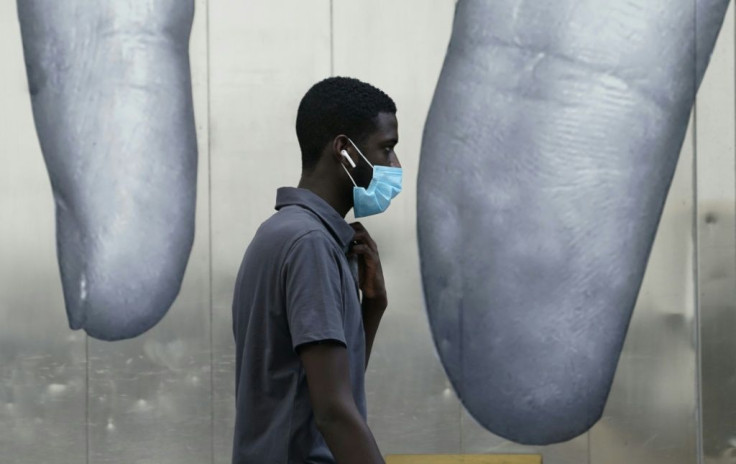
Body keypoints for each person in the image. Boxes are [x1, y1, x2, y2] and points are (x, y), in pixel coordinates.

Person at [231, 76, 402, 464]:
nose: (395, 166)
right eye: (387, 149)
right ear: (345, 151)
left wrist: (371, 308)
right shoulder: (310, 244)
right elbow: (334, 413)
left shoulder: (282, 233)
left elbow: (327, 387)